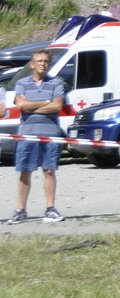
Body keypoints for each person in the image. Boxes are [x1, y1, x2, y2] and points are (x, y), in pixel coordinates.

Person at [6, 51, 66, 224]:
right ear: (32, 64)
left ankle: (50, 209)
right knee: (25, 171)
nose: (42, 64)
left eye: (46, 61)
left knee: (49, 171)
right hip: (27, 133)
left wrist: (32, 107)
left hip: (50, 133)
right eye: (39, 61)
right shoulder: (22, 83)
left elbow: (57, 106)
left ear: (49, 64)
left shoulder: (57, 83)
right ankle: (20, 210)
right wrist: (46, 102)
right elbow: (21, 104)